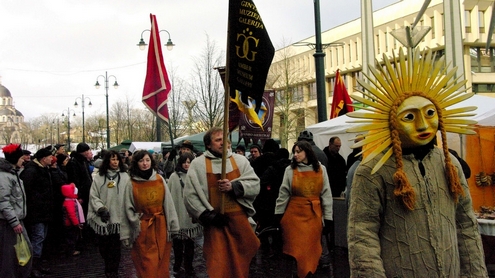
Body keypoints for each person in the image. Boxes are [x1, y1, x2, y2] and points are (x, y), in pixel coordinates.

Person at [347, 48, 487, 276]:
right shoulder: (372, 170)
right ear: (392, 122)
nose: (423, 125)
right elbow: (362, 237)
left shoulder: (450, 164)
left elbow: (466, 225)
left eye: (430, 113)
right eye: (409, 117)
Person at [184, 127, 260, 278]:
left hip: (240, 225)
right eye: (218, 140)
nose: (223, 143)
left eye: (225, 140)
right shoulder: (198, 164)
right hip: (216, 226)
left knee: (240, 265)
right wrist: (208, 216)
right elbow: (190, 196)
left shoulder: (240, 161)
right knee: (218, 265)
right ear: (208, 145)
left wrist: (234, 186)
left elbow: (255, 184)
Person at [274, 141, 333, 278]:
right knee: (295, 251)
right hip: (294, 218)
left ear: (307, 152)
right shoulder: (290, 170)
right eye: (294, 152)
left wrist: (328, 218)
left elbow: (326, 194)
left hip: (313, 216)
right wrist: (278, 215)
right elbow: (283, 194)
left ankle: (308, 273)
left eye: (298, 151)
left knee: (311, 251)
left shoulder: (321, 169)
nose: (295, 155)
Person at [120, 150, 179, 278]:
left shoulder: (159, 179)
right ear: (136, 163)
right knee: (146, 265)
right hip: (142, 229)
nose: (145, 163)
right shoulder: (131, 183)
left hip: (161, 228)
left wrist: (173, 226)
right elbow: (126, 209)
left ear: (151, 162)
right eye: (141, 161)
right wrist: (127, 232)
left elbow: (168, 204)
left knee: (161, 263)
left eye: (147, 160)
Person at [87, 150, 129, 278]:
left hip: (118, 218)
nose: (115, 162)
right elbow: (93, 196)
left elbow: (130, 195)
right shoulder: (99, 177)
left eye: (117, 159)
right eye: (112, 159)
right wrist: (100, 208)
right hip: (103, 218)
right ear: (107, 161)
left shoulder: (125, 176)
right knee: (104, 246)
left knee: (116, 247)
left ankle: (113, 270)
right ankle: (107, 265)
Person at [20, 148, 54, 278]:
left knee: (41, 238)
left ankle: (38, 264)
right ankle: (34, 266)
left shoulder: (42, 170)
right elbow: (28, 192)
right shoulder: (32, 171)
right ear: (43, 159)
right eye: (50, 157)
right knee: (37, 238)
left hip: (44, 211)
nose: (52, 159)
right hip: (36, 212)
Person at [0, 144, 33, 278]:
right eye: (20, 158)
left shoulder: (12, 174)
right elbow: (3, 201)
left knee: (19, 254)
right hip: (9, 223)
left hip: (15, 220)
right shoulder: (5, 176)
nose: (22, 160)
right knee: (9, 258)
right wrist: (14, 222)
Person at [168, 152, 203, 277]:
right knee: (177, 245)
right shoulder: (173, 177)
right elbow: (169, 196)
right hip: (177, 214)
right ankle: (177, 264)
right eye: (184, 162)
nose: (187, 165)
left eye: (189, 162)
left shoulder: (196, 176)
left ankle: (189, 265)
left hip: (190, 215)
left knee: (190, 244)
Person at [66, 142, 94, 218]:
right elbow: (75, 179)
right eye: (88, 150)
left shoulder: (84, 161)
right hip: (81, 194)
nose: (89, 152)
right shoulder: (74, 163)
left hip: (87, 192)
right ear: (84, 152)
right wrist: (78, 196)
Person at [61, 183, 84, 257]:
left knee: (71, 237)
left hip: (69, 223)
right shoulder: (70, 202)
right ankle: (71, 250)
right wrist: (76, 223)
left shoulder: (70, 201)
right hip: (70, 224)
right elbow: (72, 214)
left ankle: (71, 249)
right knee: (71, 237)